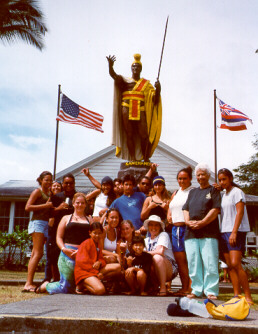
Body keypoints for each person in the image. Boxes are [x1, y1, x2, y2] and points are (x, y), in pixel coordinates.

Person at [107, 54, 162, 161]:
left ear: (141, 69)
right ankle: (132, 159)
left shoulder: (146, 84)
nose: (135, 68)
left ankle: (146, 159)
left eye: (138, 67)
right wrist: (110, 66)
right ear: (131, 68)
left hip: (140, 110)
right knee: (129, 134)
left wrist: (158, 89)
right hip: (126, 109)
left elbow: (155, 100)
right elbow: (114, 75)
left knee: (144, 135)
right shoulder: (125, 81)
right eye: (134, 66)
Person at [35, 193, 91, 294]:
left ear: (85, 205)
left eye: (82, 203)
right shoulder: (66, 218)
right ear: (73, 204)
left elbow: (92, 240)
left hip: (83, 255)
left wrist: (81, 252)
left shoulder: (90, 220)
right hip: (67, 254)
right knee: (66, 287)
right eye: (77, 202)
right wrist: (64, 249)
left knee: (76, 285)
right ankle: (45, 286)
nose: (80, 205)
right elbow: (59, 237)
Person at [183, 163, 221, 300]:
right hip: (191, 232)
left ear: (209, 176)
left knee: (210, 261)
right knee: (193, 262)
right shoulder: (192, 192)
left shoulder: (214, 191)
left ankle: (211, 291)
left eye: (203, 174)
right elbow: (185, 208)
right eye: (198, 175)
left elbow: (215, 209)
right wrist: (187, 222)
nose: (200, 177)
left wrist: (203, 222)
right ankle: (196, 289)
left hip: (209, 232)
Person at [218, 168, 254, 305]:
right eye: (220, 180)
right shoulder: (223, 195)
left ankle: (248, 296)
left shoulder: (237, 192)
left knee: (235, 264)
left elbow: (239, 213)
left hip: (236, 231)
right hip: (224, 231)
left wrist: (234, 232)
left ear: (230, 179)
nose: (222, 182)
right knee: (230, 265)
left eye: (224, 179)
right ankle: (236, 295)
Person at [23, 171, 53, 292]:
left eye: (50, 180)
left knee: (37, 253)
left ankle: (29, 282)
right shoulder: (37, 192)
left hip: (45, 223)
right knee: (38, 253)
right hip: (37, 223)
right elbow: (27, 207)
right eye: (46, 180)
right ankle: (28, 283)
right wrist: (46, 206)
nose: (49, 182)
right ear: (41, 180)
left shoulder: (49, 193)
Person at [167, 166, 193, 296]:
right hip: (175, 229)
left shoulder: (193, 191)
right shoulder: (176, 193)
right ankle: (184, 287)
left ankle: (191, 288)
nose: (182, 181)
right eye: (179, 178)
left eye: (184, 178)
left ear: (190, 179)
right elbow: (170, 206)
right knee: (180, 260)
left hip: (187, 228)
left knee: (190, 259)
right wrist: (168, 215)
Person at [74, 222, 121, 295]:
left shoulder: (98, 244)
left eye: (99, 233)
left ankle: (96, 280)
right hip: (84, 272)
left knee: (118, 267)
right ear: (90, 233)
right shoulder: (86, 243)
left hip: (93, 270)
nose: (97, 235)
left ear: (102, 233)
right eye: (95, 233)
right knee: (100, 290)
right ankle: (82, 285)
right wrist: (96, 273)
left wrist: (100, 262)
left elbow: (101, 259)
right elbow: (82, 262)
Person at [47, 173, 77, 282]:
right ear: (62, 184)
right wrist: (58, 208)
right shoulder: (56, 197)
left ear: (74, 184)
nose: (68, 185)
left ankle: (72, 281)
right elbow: (49, 214)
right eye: (66, 183)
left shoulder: (77, 196)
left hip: (73, 232)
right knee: (54, 255)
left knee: (73, 256)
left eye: (71, 183)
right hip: (57, 231)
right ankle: (56, 279)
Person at [144, 215, 178, 296]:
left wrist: (143, 253)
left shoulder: (163, 235)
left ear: (160, 227)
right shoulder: (145, 240)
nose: (153, 227)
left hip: (170, 268)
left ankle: (163, 287)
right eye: (151, 225)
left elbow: (160, 251)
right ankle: (154, 287)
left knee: (157, 257)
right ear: (148, 227)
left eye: (156, 225)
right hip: (155, 267)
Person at [44, 180, 63, 282]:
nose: (56, 188)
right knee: (50, 256)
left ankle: (58, 278)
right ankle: (47, 278)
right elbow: (46, 213)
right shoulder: (50, 199)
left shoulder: (63, 199)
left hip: (60, 230)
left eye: (58, 186)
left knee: (59, 256)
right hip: (50, 230)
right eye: (54, 186)